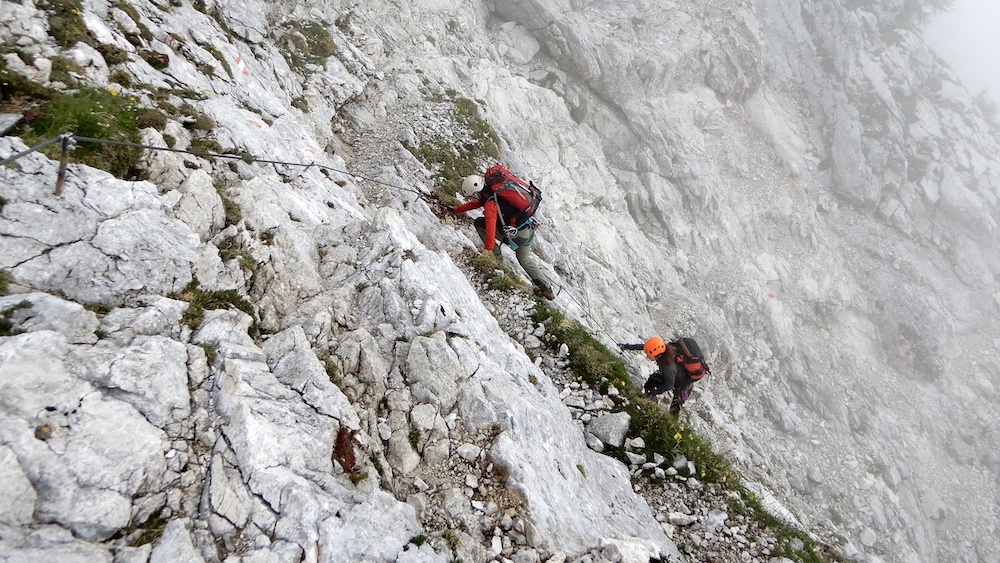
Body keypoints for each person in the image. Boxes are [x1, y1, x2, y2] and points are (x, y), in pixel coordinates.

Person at [452, 168, 555, 300]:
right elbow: (475, 204)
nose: (472, 198)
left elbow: (489, 227)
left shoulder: (491, 203)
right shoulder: (494, 192)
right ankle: (547, 289)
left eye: (472, 195)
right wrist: (456, 210)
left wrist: (488, 251)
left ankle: (497, 255)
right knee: (524, 259)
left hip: (515, 236)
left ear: (476, 192)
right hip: (527, 231)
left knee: (479, 223)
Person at [618, 336, 709, 417]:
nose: (647, 357)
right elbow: (646, 347)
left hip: (683, 385)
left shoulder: (667, 367)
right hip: (675, 375)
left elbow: (669, 385)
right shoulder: (665, 349)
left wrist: (655, 391)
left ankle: (670, 425)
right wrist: (626, 347)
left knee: (674, 409)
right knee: (651, 383)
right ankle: (650, 404)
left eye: (649, 355)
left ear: (658, 355)